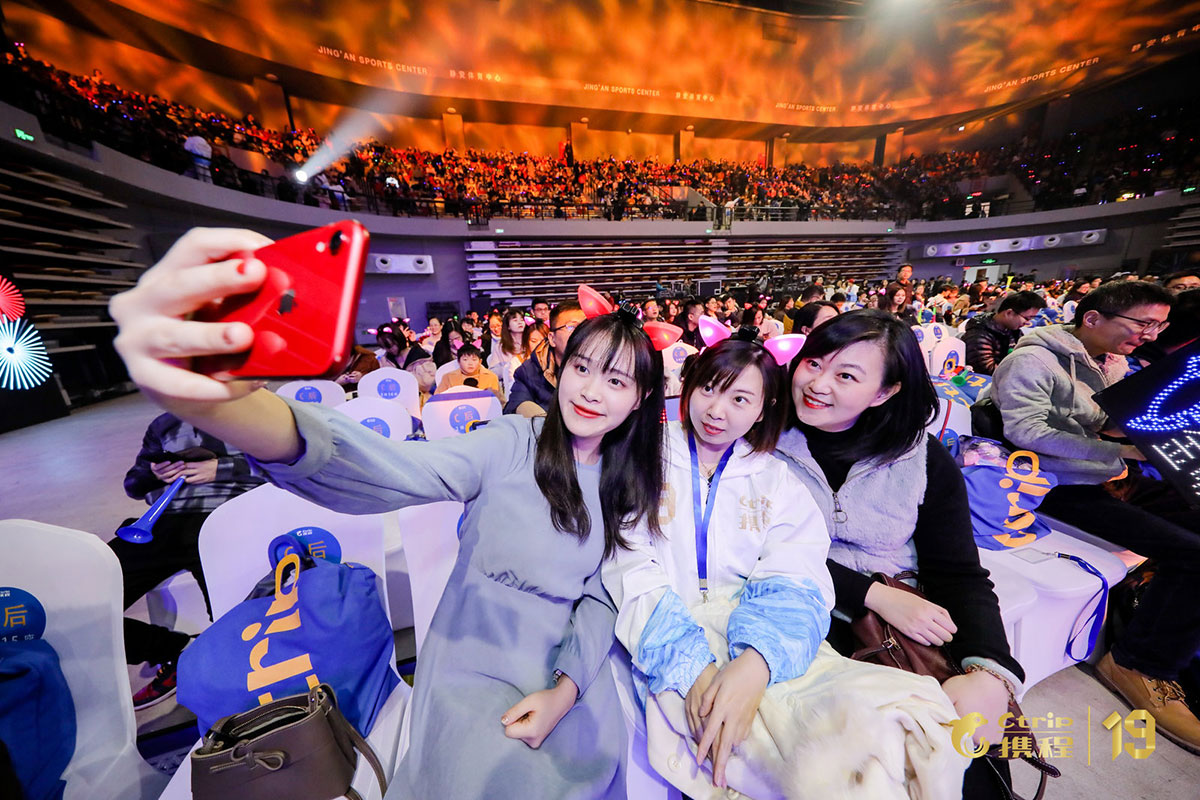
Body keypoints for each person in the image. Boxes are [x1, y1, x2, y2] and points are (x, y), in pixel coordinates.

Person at [108, 229, 674, 798]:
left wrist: (565, 692)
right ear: (560, 367)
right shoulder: (511, 443)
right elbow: (396, 469)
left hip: (564, 670)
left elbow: (603, 596)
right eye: (582, 368)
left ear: (641, 398)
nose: (591, 391)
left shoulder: (625, 481)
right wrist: (224, 403)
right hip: (474, 657)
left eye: (616, 380)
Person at [774, 310, 1024, 798]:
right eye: (813, 362)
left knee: (962, 756)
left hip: (902, 620)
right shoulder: (760, 439)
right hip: (799, 610)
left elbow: (959, 573)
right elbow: (751, 549)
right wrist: (871, 594)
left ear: (885, 392)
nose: (818, 384)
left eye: (846, 375)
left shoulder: (920, 458)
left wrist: (991, 670)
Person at [989, 281, 1200, 754]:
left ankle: (1161, 629)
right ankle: (1140, 664)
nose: (1150, 335)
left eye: (1160, 326)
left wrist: (1143, 429)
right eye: (1143, 323)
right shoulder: (1032, 360)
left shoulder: (1114, 361)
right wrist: (1118, 448)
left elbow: (1105, 423)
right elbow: (1025, 431)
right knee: (1193, 554)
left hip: (1106, 474)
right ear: (1093, 318)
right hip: (1050, 485)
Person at [115, 412, 265, 708]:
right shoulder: (163, 424)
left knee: (237, 622)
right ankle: (177, 651)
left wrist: (222, 469)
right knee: (77, 603)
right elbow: (133, 485)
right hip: (161, 523)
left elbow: (297, 467)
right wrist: (155, 473)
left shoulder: (255, 410)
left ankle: (241, 688)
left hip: (229, 516)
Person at [504, 301, 586, 417]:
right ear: (552, 339)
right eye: (572, 327)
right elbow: (514, 407)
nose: (581, 333)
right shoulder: (529, 371)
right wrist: (541, 419)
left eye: (586, 327)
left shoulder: (603, 367)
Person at [962, 291, 1047, 375]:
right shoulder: (979, 335)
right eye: (1027, 318)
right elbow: (988, 370)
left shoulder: (1013, 330)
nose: (1028, 323)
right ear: (1009, 313)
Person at [437, 343, 504, 402]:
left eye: (474, 360)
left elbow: (499, 402)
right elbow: (437, 400)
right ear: (458, 362)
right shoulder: (448, 377)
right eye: (465, 360)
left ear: (480, 361)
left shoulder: (491, 377)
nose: (470, 363)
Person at [488, 308, 527, 398]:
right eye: (515, 320)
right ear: (508, 326)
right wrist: (507, 368)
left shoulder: (531, 341)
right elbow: (492, 372)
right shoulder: (500, 346)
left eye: (521, 320)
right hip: (511, 386)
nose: (520, 322)